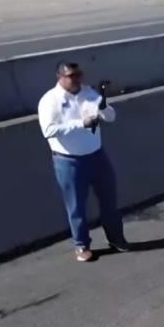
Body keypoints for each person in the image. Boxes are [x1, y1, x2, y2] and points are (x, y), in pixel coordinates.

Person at [38, 62, 129, 262]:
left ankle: (116, 238)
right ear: (60, 77)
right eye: (71, 76)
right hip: (69, 161)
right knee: (76, 206)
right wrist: (81, 123)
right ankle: (82, 246)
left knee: (109, 200)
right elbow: (48, 130)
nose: (76, 79)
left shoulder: (89, 93)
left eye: (79, 74)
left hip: (97, 156)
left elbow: (111, 117)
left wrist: (104, 106)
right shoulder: (50, 100)